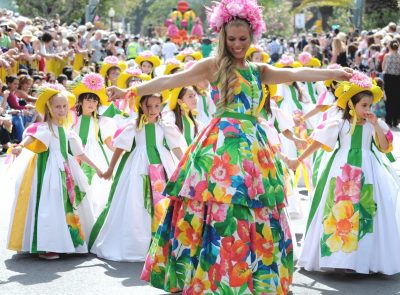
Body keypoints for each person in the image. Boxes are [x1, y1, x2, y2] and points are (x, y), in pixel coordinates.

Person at [107, 0, 351, 292]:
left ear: (252, 37)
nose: (237, 44)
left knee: (254, 208)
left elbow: (296, 74)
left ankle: (247, 277)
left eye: (243, 39)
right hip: (219, 145)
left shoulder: (258, 70)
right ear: (222, 36)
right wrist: (130, 90)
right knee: (214, 205)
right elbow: (171, 80)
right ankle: (210, 275)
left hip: (252, 146)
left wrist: (332, 74)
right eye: (232, 39)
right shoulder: (212, 66)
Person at [287, 71, 400, 275]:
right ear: (351, 105)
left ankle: (365, 258)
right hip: (342, 171)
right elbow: (318, 143)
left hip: (368, 169)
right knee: (339, 209)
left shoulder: (374, 124)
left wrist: (376, 126)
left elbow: (384, 146)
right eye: (363, 105)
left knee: (367, 207)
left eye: (369, 105)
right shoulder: (339, 123)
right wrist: (298, 160)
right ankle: (341, 257)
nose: (367, 109)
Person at [88, 93, 186, 262]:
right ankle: (139, 244)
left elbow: (175, 147)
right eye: (149, 106)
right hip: (137, 167)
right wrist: (110, 168)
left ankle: (161, 241)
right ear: (141, 106)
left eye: (157, 106)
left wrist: (185, 165)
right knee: (138, 202)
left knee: (162, 202)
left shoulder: (165, 127)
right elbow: (120, 148)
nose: (153, 110)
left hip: (161, 166)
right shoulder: (134, 126)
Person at [7, 84, 100, 260]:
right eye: (58, 106)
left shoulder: (67, 130)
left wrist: (99, 169)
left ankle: (70, 241)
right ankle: (47, 244)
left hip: (67, 169)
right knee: (51, 204)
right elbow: (31, 137)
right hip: (48, 170)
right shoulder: (45, 128)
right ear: (49, 108)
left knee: (70, 203)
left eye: (65, 106)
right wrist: (20, 146)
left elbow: (80, 153)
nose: (62, 110)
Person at [71, 73, 116, 213]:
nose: (91, 104)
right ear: (80, 102)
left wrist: (123, 151)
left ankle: (90, 212)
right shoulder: (73, 119)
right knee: (75, 183)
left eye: (95, 101)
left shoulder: (101, 121)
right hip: (75, 152)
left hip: (95, 154)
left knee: (94, 185)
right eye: (88, 100)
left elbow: (109, 143)